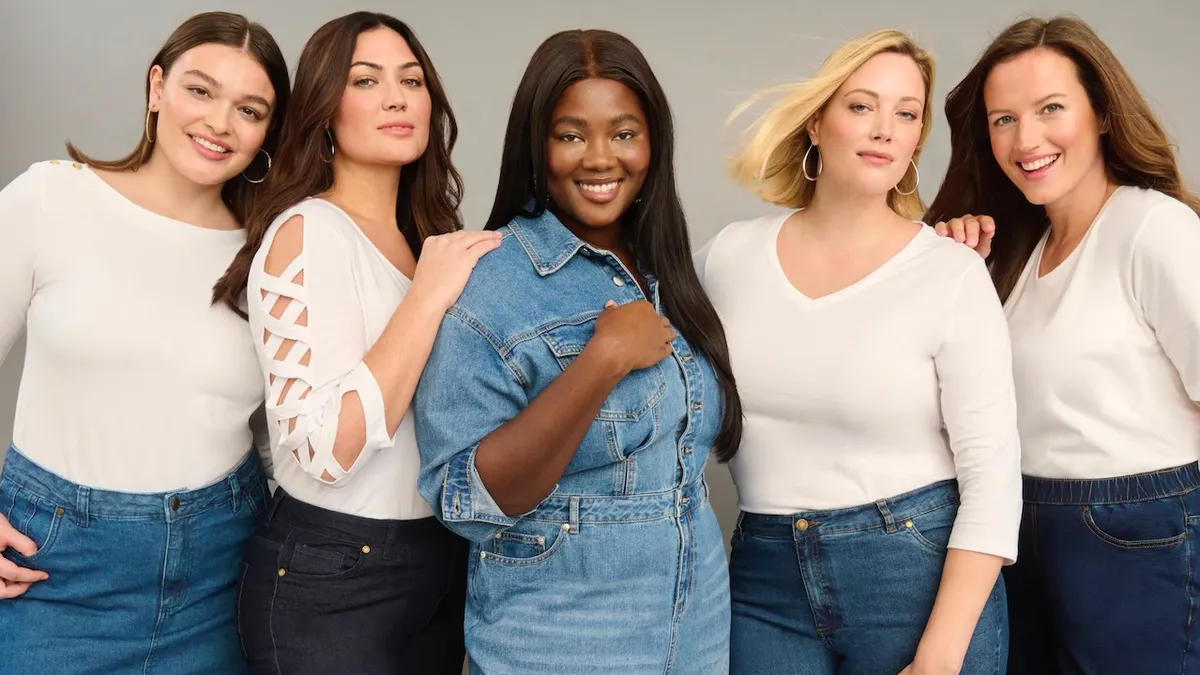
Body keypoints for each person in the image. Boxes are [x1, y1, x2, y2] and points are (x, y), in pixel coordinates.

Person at [411, 28, 743, 674]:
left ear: (653, 143)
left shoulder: (668, 270)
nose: (599, 157)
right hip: (560, 641)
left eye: (623, 133)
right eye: (570, 135)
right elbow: (466, 499)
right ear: (537, 146)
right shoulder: (491, 287)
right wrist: (601, 361)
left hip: (696, 625)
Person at [699, 28, 1023, 674]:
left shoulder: (951, 274)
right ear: (817, 122)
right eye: (862, 106)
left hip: (913, 576)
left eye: (906, 114)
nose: (885, 129)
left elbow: (992, 482)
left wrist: (938, 658)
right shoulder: (727, 258)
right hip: (764, 579)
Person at [0, 11, 289, 674]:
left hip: (223, 575)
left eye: (249, 109)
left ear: (268, 131)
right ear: (156, 87)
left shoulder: (270, 255)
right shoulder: (52, 198)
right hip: (54, 572)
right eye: (200, 90)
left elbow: (284, 432)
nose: (219, 122)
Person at [211, 12, 500, 674]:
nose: (397, 97)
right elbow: (324, 449)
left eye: (412, 79)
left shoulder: (426, 239)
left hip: (437, 565)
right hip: (332, 576)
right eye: (366, 80)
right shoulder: (309, 231)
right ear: (323, 109)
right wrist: (428, 297)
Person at [926, 15, 1200, 675]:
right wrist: (954, 269)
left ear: (1102, 114)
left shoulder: (1153, 229)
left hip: (1139, 535)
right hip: (1027, 529)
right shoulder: (1020, 251)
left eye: (1051, 109)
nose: (1027, 139)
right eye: (1003, 119)